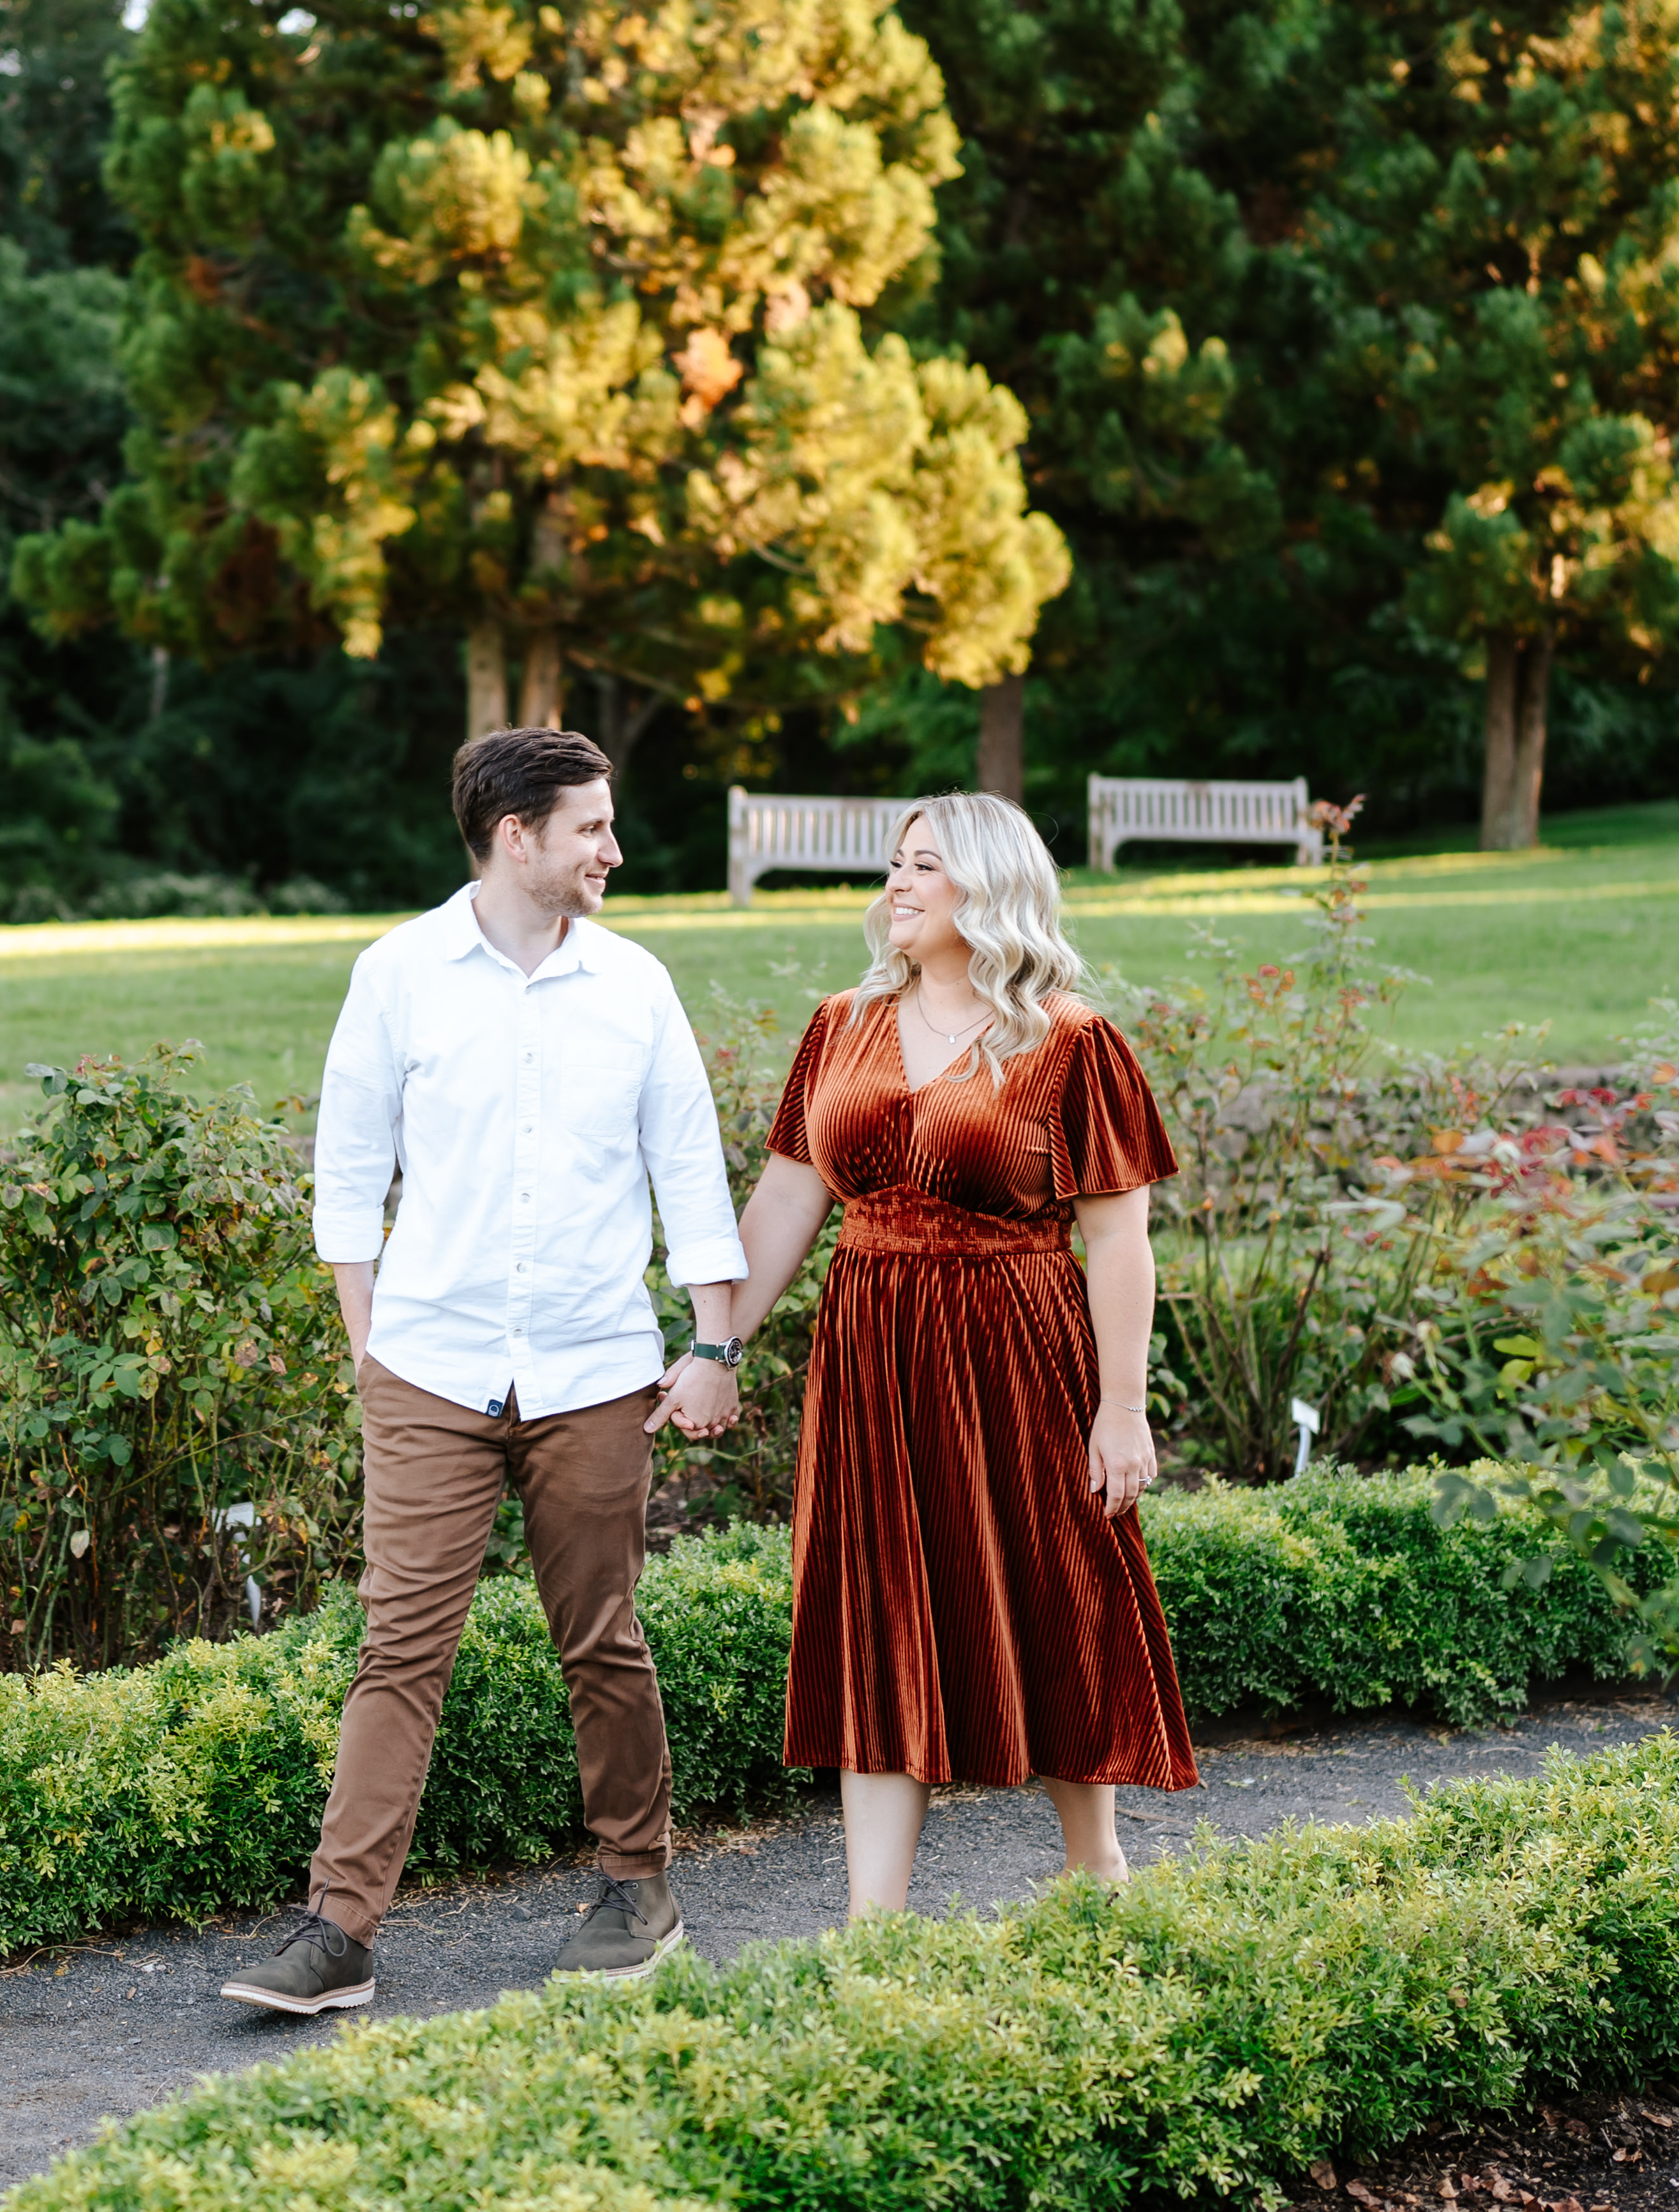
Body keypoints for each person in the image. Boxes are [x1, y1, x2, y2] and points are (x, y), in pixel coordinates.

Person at [221, 727, 752, 2017]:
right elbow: (347, 1176)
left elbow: (691, 1171)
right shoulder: (399, 972)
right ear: (518, 836)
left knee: (603, 1638)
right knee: (398, 1644)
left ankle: (639, 1883)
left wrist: (713, 1342)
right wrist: (368, 1350)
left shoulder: (635, 985)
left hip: (592, 1370)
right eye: (592, 828)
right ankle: (339, 1927)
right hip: (429, 1367)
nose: (613, 849)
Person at [696, 789, 1198, 1918]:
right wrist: (714, 1345)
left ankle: (1095, 1867)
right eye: (895, 863)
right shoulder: (842, 1025)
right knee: (877, 1602)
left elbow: (1119, 1235)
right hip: (873, 1351)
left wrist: (1122, 1409)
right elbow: (790, 1195)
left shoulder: (1068, 1039)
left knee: (1056, 1580)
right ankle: (876, 1926)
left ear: (992, 886)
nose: (898, 884)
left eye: (926, 865)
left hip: (1019, 1345)